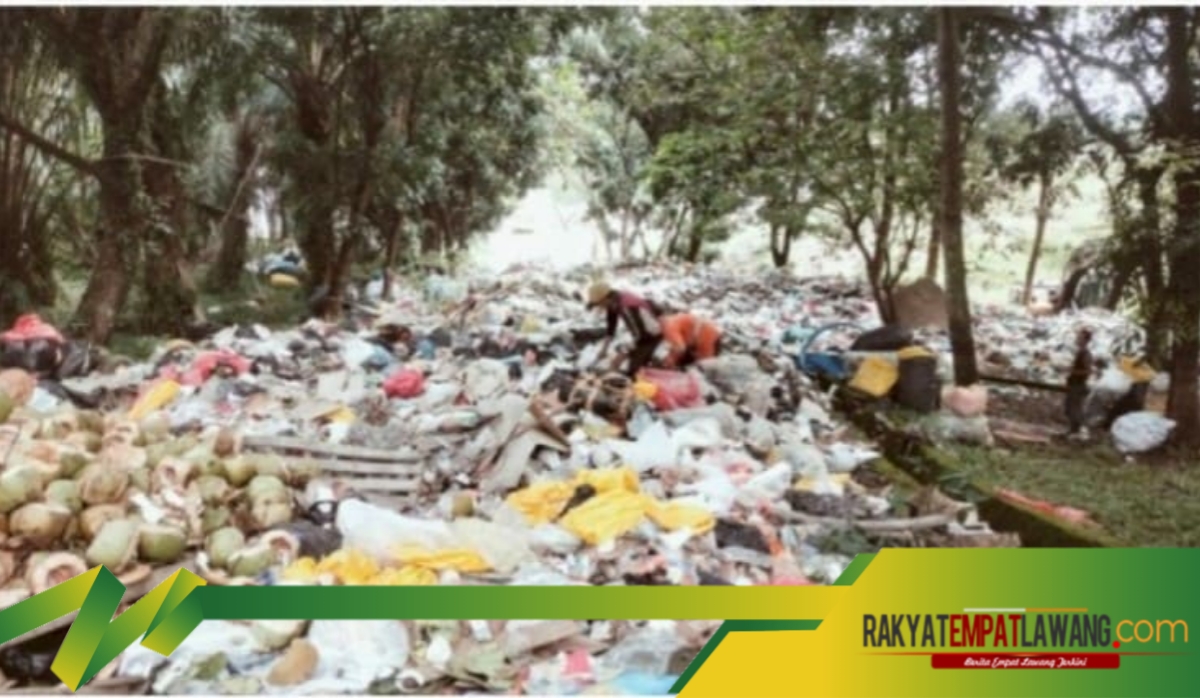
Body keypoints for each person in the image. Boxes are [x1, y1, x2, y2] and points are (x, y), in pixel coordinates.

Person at [586, 282, 663, 376]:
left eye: (599, 304)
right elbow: (611, 327)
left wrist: (621, 356)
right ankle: (647, 361)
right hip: (641, 334)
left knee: (634, 373)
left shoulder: (627, 306)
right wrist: (603, 349)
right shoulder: (614, 301)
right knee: (626, 357)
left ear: (605, 299)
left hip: (652, 335)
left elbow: (640, 335)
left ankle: (656, 366)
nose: (600, 307)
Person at [1065, 327, 1093, 436]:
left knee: (1074, 409)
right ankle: (1073, 431)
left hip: (1078, 385)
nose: (1077, 339)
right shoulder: (1080, 352)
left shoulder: (1086, 354)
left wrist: (1072, 371)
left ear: (1085, 340)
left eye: (1079, 337)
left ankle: (1076, 431)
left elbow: (1087, 371)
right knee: (1069, 408)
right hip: (1074, 384)